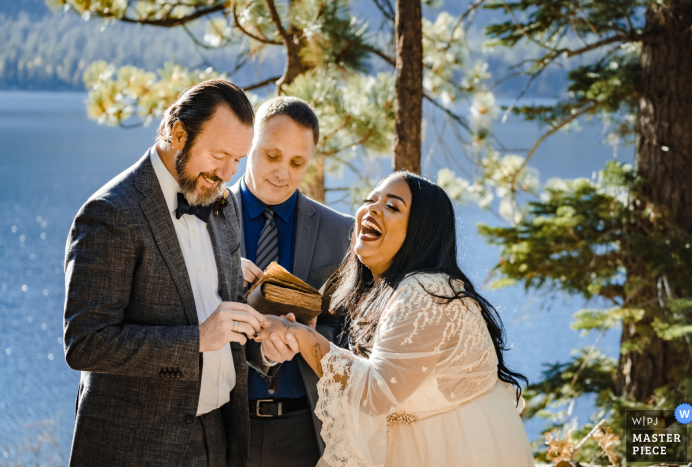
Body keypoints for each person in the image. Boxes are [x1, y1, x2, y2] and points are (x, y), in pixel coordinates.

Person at [63, 79, 299, 467]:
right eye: (219, 155)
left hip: (220, 438)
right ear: (178, 134)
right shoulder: (110, 214)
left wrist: (263, 346)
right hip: (136, 448)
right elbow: (86, 343)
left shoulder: (223, 204)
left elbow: (224, 316)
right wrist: (196, 340)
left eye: (238, 159)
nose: (227, 172)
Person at [257, 171, 535, 467]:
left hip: (453, 451)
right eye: (370, 200)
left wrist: (300, 336)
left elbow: (377, 392)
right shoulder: (393, 288)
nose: (372, 209)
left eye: (392, 207)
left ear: (421, 231)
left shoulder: (427, 292)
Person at [229, 96, 353, 467]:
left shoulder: (341, 231)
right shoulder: (202, 219)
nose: (283, 173)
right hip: (223, 426)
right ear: (250, 143)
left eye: (297, 163)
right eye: (272, 156)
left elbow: (354, 329)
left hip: (307, 428)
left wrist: (310, 337)